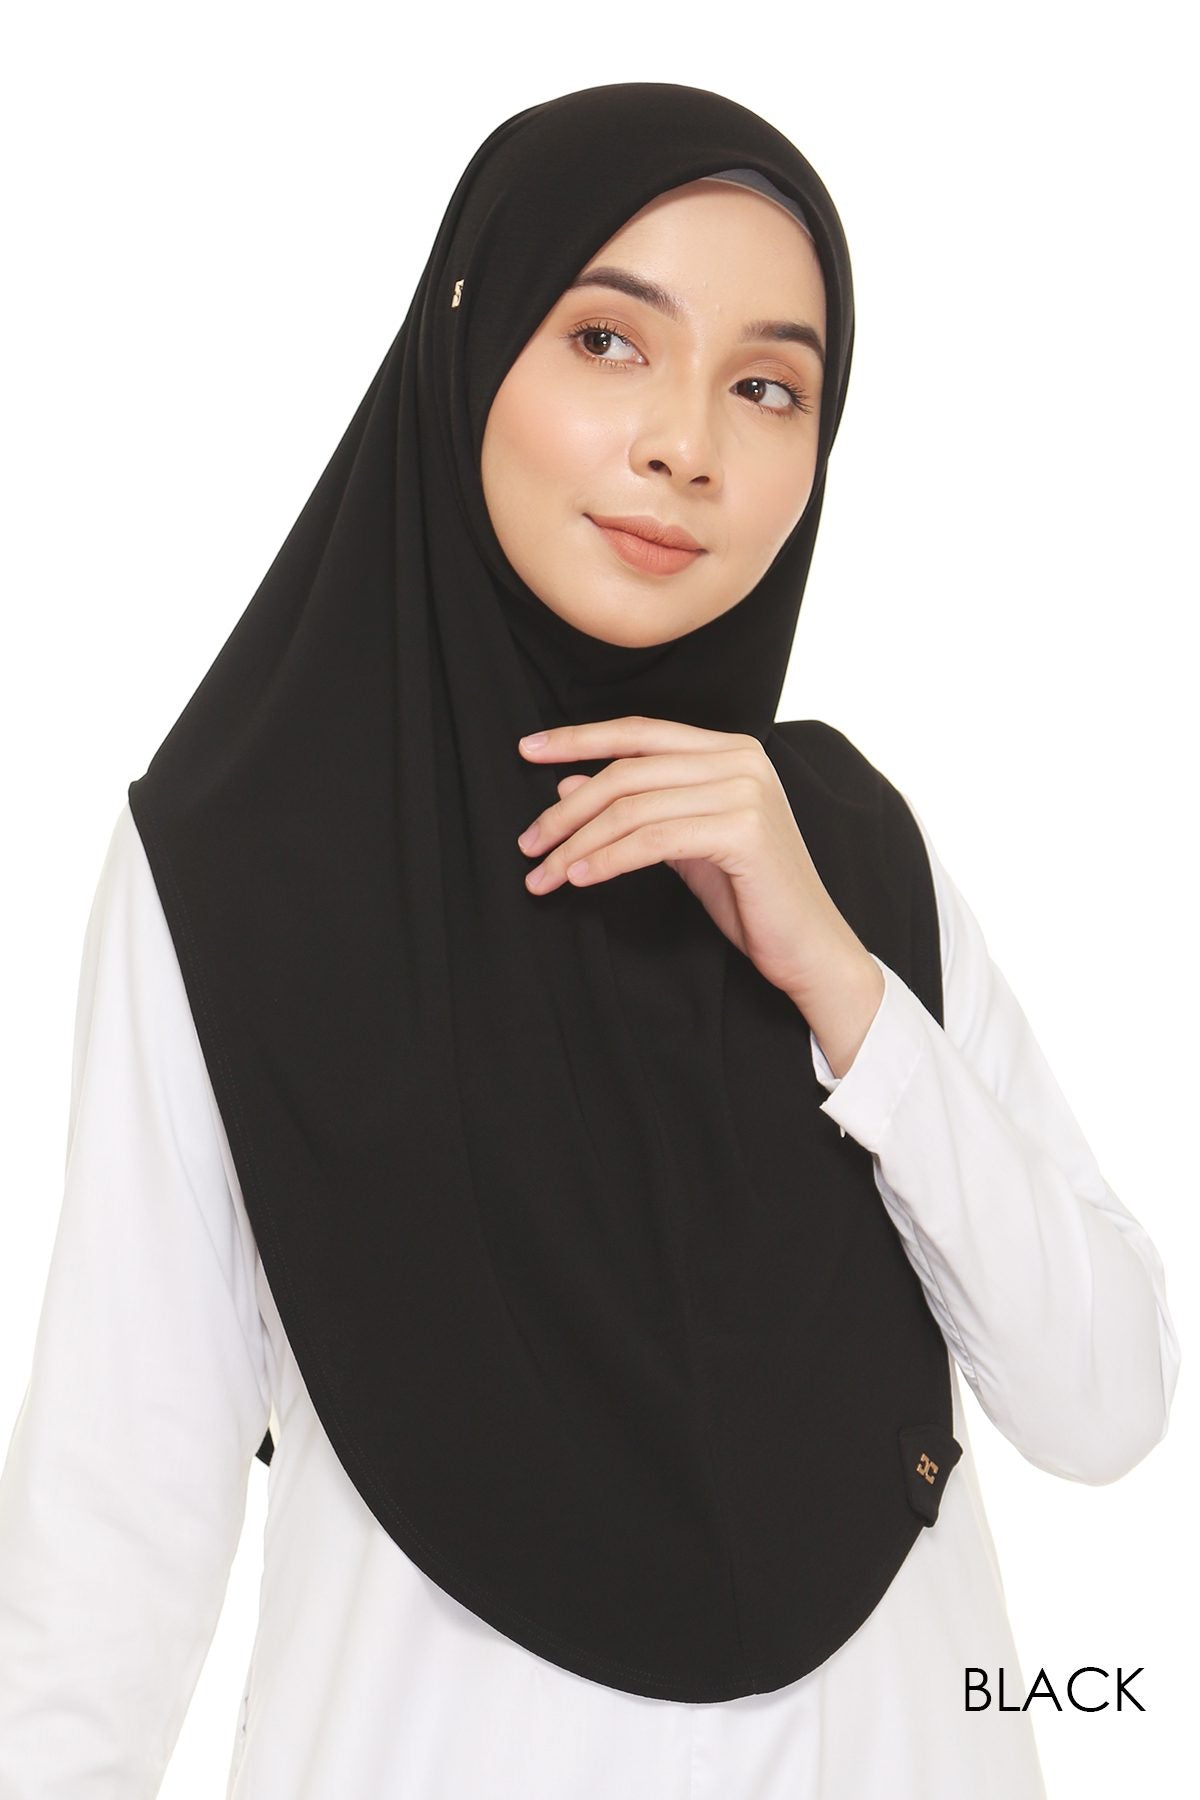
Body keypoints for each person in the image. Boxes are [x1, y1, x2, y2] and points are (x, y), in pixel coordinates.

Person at [0, 81, 1179, 1800]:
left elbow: (1106, 1405)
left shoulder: (846, 851)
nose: (688, 444)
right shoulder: (245, 871)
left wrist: (839, 983)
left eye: (768, 386)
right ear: (469, 347)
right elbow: (116, 1515)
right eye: (611, 341)